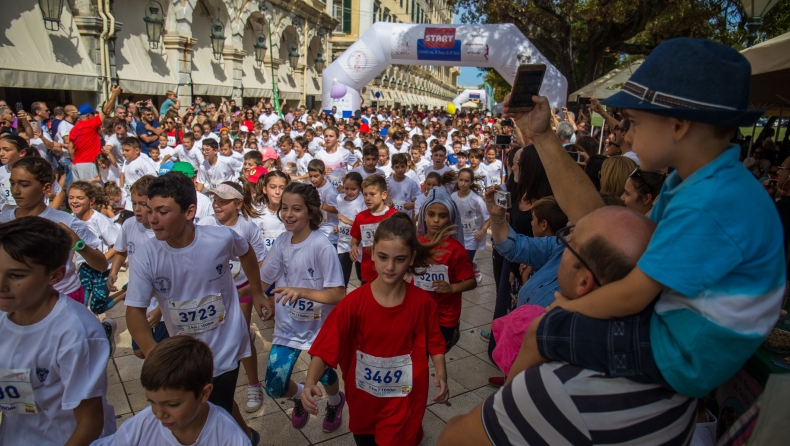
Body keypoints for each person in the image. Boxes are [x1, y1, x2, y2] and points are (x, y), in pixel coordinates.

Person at [502, 38, 785, 401]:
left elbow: (634, 292)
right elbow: (613, 231)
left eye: (633, 122)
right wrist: (540, 135)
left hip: (680, 354)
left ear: (679, 126)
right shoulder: (701, 183)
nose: (625, 134)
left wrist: (567, 308)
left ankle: (505, 412)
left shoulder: (707, 201)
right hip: (682, 336)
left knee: (543, 330)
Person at [436, 207, 697, 446]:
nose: (561, 245)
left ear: (585, 282)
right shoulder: (676, 361)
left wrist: (528, 356)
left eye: (569, 244)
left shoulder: (560, 388)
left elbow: (453, 438)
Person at [124, 172, 269, 444]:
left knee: (214, 406)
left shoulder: (221, 238)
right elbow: (133, 312)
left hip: (224, 344)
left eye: (163, 211)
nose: (152, 219)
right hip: (182, 352)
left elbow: (247, 251)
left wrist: (258, 292)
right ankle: (248, 436)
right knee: (210, 406)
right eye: (149, 210)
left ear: (189, 211)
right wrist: (156, 355)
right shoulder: (146, 254)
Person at [302, 213, 450, 446]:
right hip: (364, 402)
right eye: (383, 257)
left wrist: (441, 372)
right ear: (372, 255)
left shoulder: (423, 304)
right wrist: (309, 382)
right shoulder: (353, 304)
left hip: (404, 401)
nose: (390, 267)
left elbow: (435, 342)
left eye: (399, 259)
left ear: (412, 258)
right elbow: (325, 346)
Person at [0, 217, 116, 445]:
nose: (1, 284)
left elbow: (90, 422)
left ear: (55, 276)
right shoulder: (6, 310)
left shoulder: (75, 333)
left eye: (17, 275)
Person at [253, 182, 346, 432]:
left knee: (326, 377)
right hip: (287, 327)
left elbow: (338, 294)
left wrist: (302, 291)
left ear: (310, 212)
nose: (288, 214)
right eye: (284, 208)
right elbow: (263, 279)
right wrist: (249, 294)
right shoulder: (282, 242)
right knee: (273, 385)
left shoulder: (321, 246)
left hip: (319, 330)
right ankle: (301, 396)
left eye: (296, 209)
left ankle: (336, 401)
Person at [91, 336, 251, 446]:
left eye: (172, 404)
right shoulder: (142, 424)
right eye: (152, 401)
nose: (159, 414)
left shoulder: (229, 437)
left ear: (204, 393)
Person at [198, 181, 267, 414]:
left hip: (241, 290)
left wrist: (256, 290)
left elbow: (260, 260)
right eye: (214, 200)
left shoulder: (247, 227)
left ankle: (254, 385)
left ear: (238, 204)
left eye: (223, 201)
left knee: (241, 335)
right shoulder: (204, 224)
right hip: (211, 293)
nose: (217, 205)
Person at [106, 176, 168, 360]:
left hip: (163, 302)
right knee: (139, 350)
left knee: (159, 352)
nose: (137, 209)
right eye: (134, 203)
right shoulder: (129, 224)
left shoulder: (164, 232)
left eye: (143, 204)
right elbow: (121, 250)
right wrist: (113, 272)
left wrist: (160, 310)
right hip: (138, 298)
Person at [415, 187, 476, 351]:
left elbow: (471, 281)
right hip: (416, 315)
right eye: (431, 214)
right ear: (423, 216)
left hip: (444, 318)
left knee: (438, 354)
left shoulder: (456, 250)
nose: (436, 220)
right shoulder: (414, 244)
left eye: (442, 216)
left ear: (450, 219)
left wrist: (452, 288)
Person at [68, 181, 120, 315]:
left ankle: (125, 292)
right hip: (85, 268)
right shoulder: (70, 219)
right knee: (80, 305)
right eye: (71, 197)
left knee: (97, 308)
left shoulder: (99, 220)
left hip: (103, 269)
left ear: (91, 200)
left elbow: (117, 245)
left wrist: (100, 260)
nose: (74, 201)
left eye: (79, 198)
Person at [350, 174, 398, 284]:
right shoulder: (361, 217)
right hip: (368, 272)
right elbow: (355, 238)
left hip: (390, 271)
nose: (367, 198)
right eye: (365, 194)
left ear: (384, 195)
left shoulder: (395, 216)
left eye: (372, 194)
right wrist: (353, 247)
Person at [70, 86, 122, 181]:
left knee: (81, 192)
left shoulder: (73, 129)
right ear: (88, 115)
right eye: (93, 114)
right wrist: (114, 94)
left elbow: (70, 149)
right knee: (94, 192)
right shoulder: (90, 124)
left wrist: (74, 161)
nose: (95, 116)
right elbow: (106, 111)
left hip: (76, 165)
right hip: (89, 163)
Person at [451, 168, 490, 263]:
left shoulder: (477, 200)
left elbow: (488, 217)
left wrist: (482, 231)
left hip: (472, 237)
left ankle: (473, 271)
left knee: (466, 262)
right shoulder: (453, 196)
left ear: (471, 182)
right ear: (457, 180)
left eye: (466, 181)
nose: (463, 183)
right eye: (461, 180)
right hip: (458, 235)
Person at [336, 172, 366, 288]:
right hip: (343, 244)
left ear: (360, 188)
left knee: (362, 277)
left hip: (359, 245)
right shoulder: (339, 198)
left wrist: (347, 221)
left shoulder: (362, 201)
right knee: (342, 277)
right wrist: (338, 226)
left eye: (353, 189)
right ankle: (342, 302)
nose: (349, 192)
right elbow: (340, 216)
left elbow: (364, 225)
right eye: (346, 188)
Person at [251, 170, 289, 251]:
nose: (277, 192)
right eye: (273, 187)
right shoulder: (257, 214)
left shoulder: (291, 215)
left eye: (282, 188)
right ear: (265, 189)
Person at [307, 159, 340, 246]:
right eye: (310, 176)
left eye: (316, 176)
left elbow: (336, 209)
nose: (313, 179)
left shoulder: (330, 191)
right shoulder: (313, 187)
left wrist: (319, 205)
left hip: (330, 233)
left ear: (323, 174)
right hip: (318, 230)